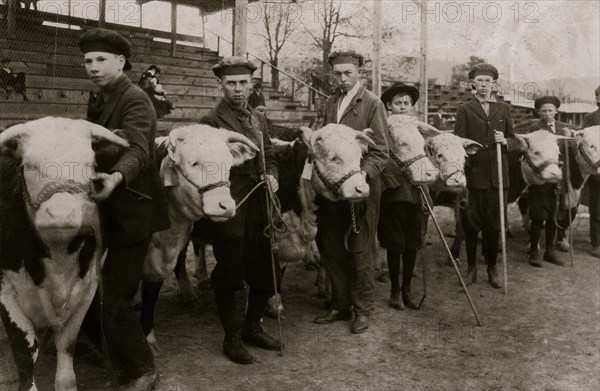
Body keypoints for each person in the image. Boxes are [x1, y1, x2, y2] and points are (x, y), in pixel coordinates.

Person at [77, 28, 169, 391]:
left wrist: (116, 176)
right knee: (89, 288)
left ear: (121, 62)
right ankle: (106, 349)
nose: (94, 67)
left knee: (115, 298)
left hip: (134, 211)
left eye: (102, 60)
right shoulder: (99, 97)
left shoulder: (136, 99)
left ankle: (143, 370)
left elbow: (139, 150)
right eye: (88, 60)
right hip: (107, 210)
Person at [195, 56, 281, 365]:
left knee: (265, 262)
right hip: (229, 198)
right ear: (220, 86)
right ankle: (231, 337)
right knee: (230, 266)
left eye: (244, 83)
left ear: (251, 84)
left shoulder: (257, 119)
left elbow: (269, 155)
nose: (238, 89)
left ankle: (252, 326)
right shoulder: (210, 121)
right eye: (231, 83)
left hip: (259, 200)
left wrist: (272, 175)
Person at [312, 49, 389, 333]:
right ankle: (340, 304)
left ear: (359, 73)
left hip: (360, 187)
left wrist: (362, 176)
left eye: (348, 73)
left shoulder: (372, 103)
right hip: (332, 188)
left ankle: (362, 309)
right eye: (337, 73)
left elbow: (381, 151)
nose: (342, 78)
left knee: (361, 249)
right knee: (331, 246)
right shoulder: (330, 102)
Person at [454, 62, 514, 289]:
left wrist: (505, 141)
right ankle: (471, 268)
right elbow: (458, 141)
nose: (484, 85)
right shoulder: (465, 109)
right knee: (471, 224)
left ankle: (492, 268)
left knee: (494, 225)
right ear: (473, 84)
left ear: (494, 84)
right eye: (480, 81)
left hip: (498, 176)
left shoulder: (504, 109)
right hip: (473, 176)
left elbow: (515, 139)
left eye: (488, 81)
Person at [378, 83, 428, 310]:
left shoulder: (417, 128)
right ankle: (395, 290)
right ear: (389, 106)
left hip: (416, 191)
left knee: (412, 243)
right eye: (397, 103)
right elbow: (382, 156)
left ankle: (407, 289)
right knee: (395, 243)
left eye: (406, 103)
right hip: (395, 191)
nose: (402, 107)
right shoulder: (385, 127)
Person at [518, 96, 582, 267]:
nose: (547, 114)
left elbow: (574, 153)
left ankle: (549, 251)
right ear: (538, 112)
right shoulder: (534, 128)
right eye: (543, 111)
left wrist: (571, 139)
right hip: (540, 178)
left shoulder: (563, 128)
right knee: (538, 217)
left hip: (558, 178)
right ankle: (533, 252)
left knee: (554, 216)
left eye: (550, 110)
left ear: (556, 111)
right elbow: (527, 151)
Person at [583, 85, 600, 258]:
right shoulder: (590, 118)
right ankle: (596, 243)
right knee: (597, 209)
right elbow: (586, 142)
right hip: (598, 168)